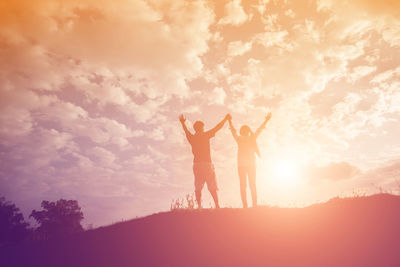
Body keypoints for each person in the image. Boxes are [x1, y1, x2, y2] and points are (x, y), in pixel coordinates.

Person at [179, 114, 231, 209]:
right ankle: (217, 206)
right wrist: (225, 119)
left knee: (198, 187)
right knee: (212, 186)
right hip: (207, 164)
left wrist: (182, 122)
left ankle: (199, 207)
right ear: (202, 128)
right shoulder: (205, 135)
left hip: (197, 164)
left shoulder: (192, 138)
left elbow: (186, 131)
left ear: (195, 129)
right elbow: (217, 127)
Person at [228, 113, 272, 208]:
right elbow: (259, 130)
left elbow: (233, 132)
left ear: (241, 131)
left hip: (242, 165)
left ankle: (245, 206)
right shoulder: (252, 138)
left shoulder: (239, 139)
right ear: (248, 131)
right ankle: (254, 205)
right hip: (251, 165)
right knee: (252, 185)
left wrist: (229, 121)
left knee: (243, 186)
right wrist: (267, 120)